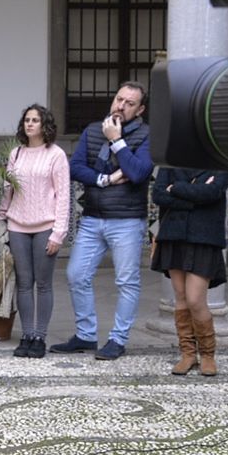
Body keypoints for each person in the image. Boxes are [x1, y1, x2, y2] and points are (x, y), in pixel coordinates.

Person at [51, 82, 154, 361]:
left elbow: (138, 172)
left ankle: (118, 339)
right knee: (76, 275)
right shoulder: (93, 130)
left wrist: (117, 141)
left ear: (140, 109)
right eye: (119, 99)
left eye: (129, 103)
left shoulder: (147, 135)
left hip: (127, 220)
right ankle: (86, 335)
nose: (121, 105)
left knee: (127, 281)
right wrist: (106, 178)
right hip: (93, 217)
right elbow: (76, 168)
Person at [0, 104, 70, 360]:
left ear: (45, 125)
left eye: (35, 120)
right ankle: (27, 335)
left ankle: (40, 335)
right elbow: (9, 190)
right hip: (18, 225)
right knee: (24, 284)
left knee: (43, 284)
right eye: (27, 120)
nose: (30, 124)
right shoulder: (16, 154)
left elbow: (63, 196)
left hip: (45, 227)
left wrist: (58, 233)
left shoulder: (56, 154)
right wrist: (1, 219)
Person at [150, 167, 228, 376]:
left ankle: (207, 355)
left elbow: (213, 193)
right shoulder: (170, 163)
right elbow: (158, 195)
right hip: (173, 235)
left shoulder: (220, 163)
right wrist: (195, 196)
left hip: (203, 238)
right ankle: (187, 354)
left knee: (195, 300)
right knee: (181, 298)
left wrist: (175, 188)